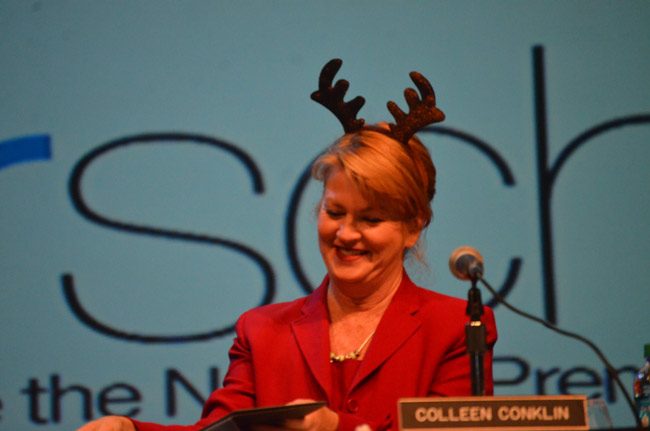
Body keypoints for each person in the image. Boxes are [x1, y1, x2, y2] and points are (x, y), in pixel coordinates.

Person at [77, 59, 497, 431]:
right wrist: (128, 429)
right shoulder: (260, 332)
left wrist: (340, 428)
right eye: (335, 212)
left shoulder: (457, 328)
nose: (346, 234)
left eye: (370, 219)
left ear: (412, 227)